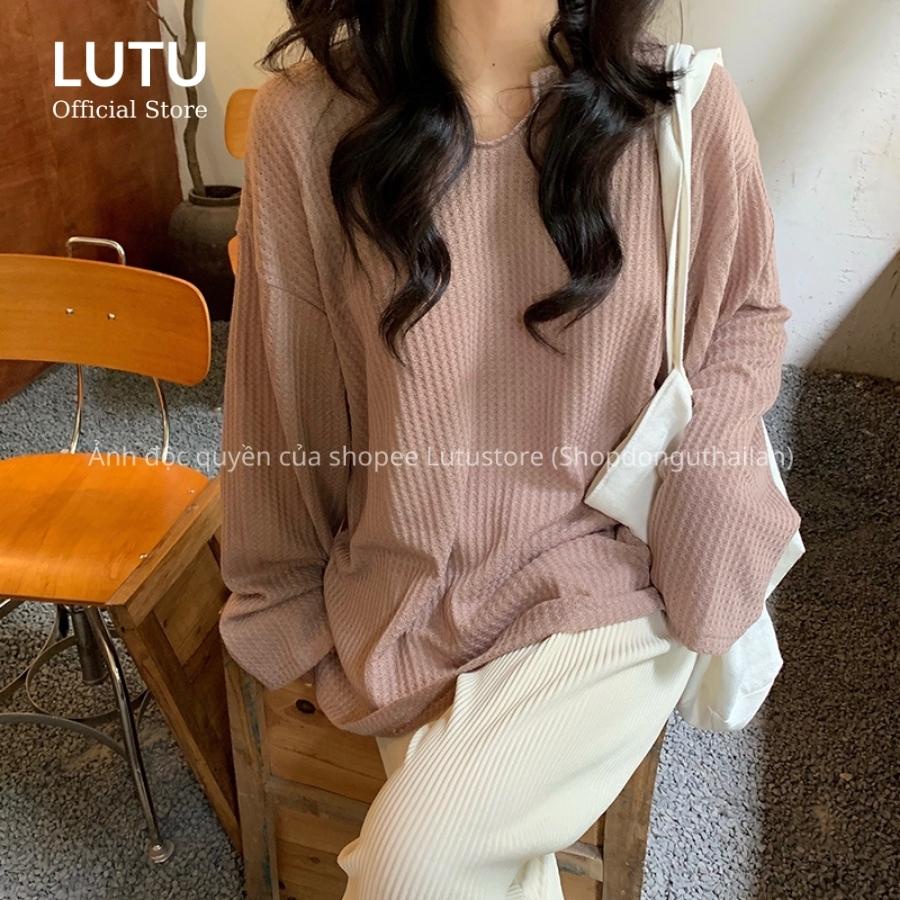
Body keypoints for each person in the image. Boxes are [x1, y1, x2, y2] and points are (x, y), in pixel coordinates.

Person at [218, 1, 801, 896]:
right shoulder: (308, 123)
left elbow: (746, 316)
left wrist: (707, 484)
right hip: (405, 591)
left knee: (414, 865)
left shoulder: (679, 106)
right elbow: (283, 385)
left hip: (609, 574)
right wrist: (289, 599)